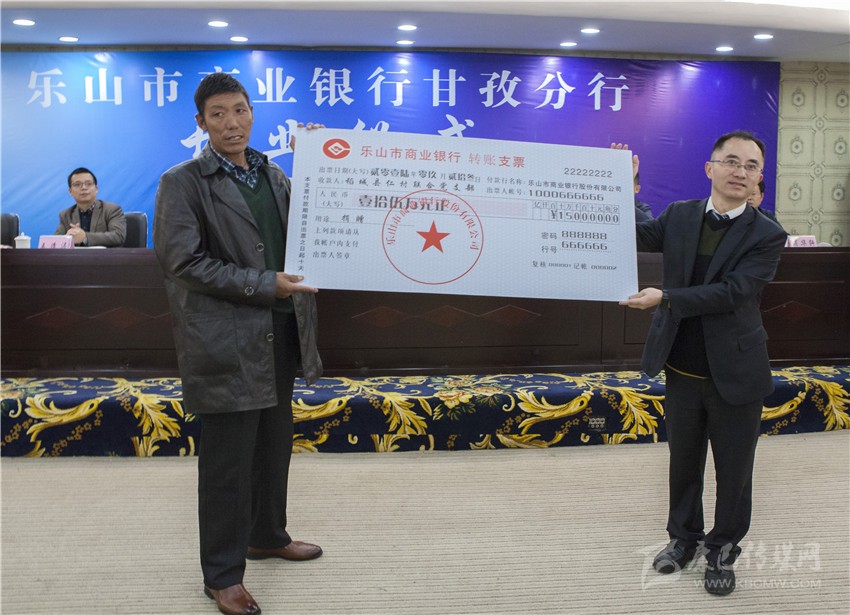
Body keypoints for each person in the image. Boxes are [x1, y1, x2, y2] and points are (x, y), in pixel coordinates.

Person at [154, 72, 323, 615]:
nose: (233, 123)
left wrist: (319, 164)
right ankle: (222, 575)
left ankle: (267, 536)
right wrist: (263, 283)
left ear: (253, 113)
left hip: (282, 330)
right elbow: (182, 262)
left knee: (273, 445)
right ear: (201, 122)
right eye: (219, 113)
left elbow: (314, 230)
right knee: (228, 462)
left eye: (241, 110)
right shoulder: (183, 182)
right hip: (226, 338)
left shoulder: (273, 175)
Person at [617, 131, 787, 596]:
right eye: (731, 161)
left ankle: (723, 552)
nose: (740, 172)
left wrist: (666, 297)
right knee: (683, 463)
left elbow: (732, 292)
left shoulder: (767, 234)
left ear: (759, 178)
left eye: (751, 166)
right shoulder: (680, 214)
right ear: (710, 168)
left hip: (736, 372)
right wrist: (621, 183)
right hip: (682, 368)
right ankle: (683, 539)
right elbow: (635, 232)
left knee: (734, 473)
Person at [56, 167, 126, 246]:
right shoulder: (66, 215)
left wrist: (85, 237)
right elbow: (54, 242)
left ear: (96, 188)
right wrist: (66, 238)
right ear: (70, 191)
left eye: (88, 184)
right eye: (77, 184)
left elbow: (118, 236)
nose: (84, 188)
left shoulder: (112, 210)